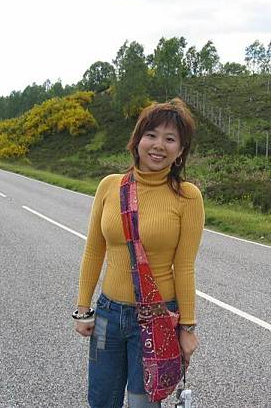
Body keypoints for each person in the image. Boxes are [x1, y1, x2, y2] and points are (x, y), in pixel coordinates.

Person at [74, 98, 205, 408]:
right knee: (101, 401)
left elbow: (184, 267)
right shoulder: (110, 186)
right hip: (108, 314)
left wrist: (187, 328)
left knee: (143, 404)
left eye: (170, 139)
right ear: (137, 140)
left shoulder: (188, 197)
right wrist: (83, 308)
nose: (158, 145)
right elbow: (94, 251)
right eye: (151, 134)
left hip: (157, 319)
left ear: (181, 150)